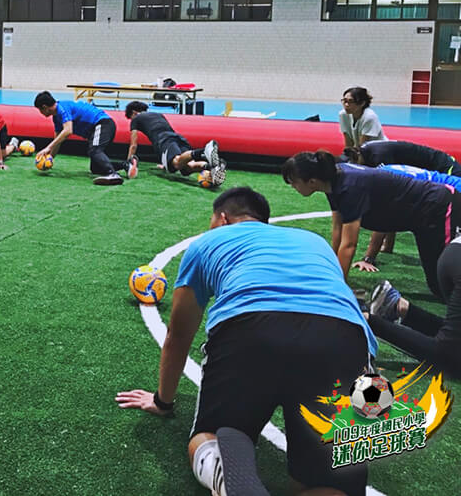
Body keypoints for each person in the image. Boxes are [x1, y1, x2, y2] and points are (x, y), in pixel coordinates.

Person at [116, 187, 374, 496]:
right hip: (343, 339)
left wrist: (162, 401)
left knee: (211, 436)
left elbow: (178, 335)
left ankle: (227, 477)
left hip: (250, 329)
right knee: (328, 482)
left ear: (223, 219)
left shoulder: (208, 242)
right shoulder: (314, 242)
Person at [281, 151, 461, 298]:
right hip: (420, 217)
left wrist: (338, 288)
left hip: (440, 207)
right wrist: (332, 272)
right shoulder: (332, 182)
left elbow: (349, 245)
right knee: (437, 284)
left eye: (294, 183)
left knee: (447, 281)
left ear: (312, 182)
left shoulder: (349, 187)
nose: (293, 187)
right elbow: (337, 231)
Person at [367, 237, 461, 379]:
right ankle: (366, 319)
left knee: (454, 337)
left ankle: (399, 307)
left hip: (452, 252)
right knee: (448, 354)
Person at [33, 91, 129, 185]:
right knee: (96, 168)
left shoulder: (62, 108)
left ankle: (112, 174)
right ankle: (126, 165)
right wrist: (49, 159)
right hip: (98, 129)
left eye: (40, 110)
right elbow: (57, 141)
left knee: (95, 151)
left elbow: (68, 131)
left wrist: (48, 148)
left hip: (103, 124)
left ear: (44, 107)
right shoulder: (56, 117)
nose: (41, 113)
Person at [125, 101, 224, 185]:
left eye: (130, 117)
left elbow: (133, 145)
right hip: (177, 138)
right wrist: (164, 163)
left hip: (164, 140)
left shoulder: (136, 119)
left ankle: (203, 151)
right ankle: (211, 167)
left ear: (133, 113)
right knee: (186, 168)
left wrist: (128, 162)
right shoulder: (158, 115)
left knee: (176, 164)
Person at [345, 140, 456, 175]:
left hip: (444, 167)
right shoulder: (366, 149)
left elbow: (391, 181)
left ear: (358, 155)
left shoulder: (380, 157)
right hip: (431, 167)